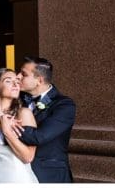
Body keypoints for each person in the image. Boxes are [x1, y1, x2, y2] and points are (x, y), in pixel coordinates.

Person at [15, 55, 76, 183]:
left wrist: (7, 127)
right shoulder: (17, 97)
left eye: (23, 74)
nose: (17, 77)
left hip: (49, 176)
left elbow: (39, 137)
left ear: (39, 80)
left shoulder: (64, 105)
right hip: (18, 173)